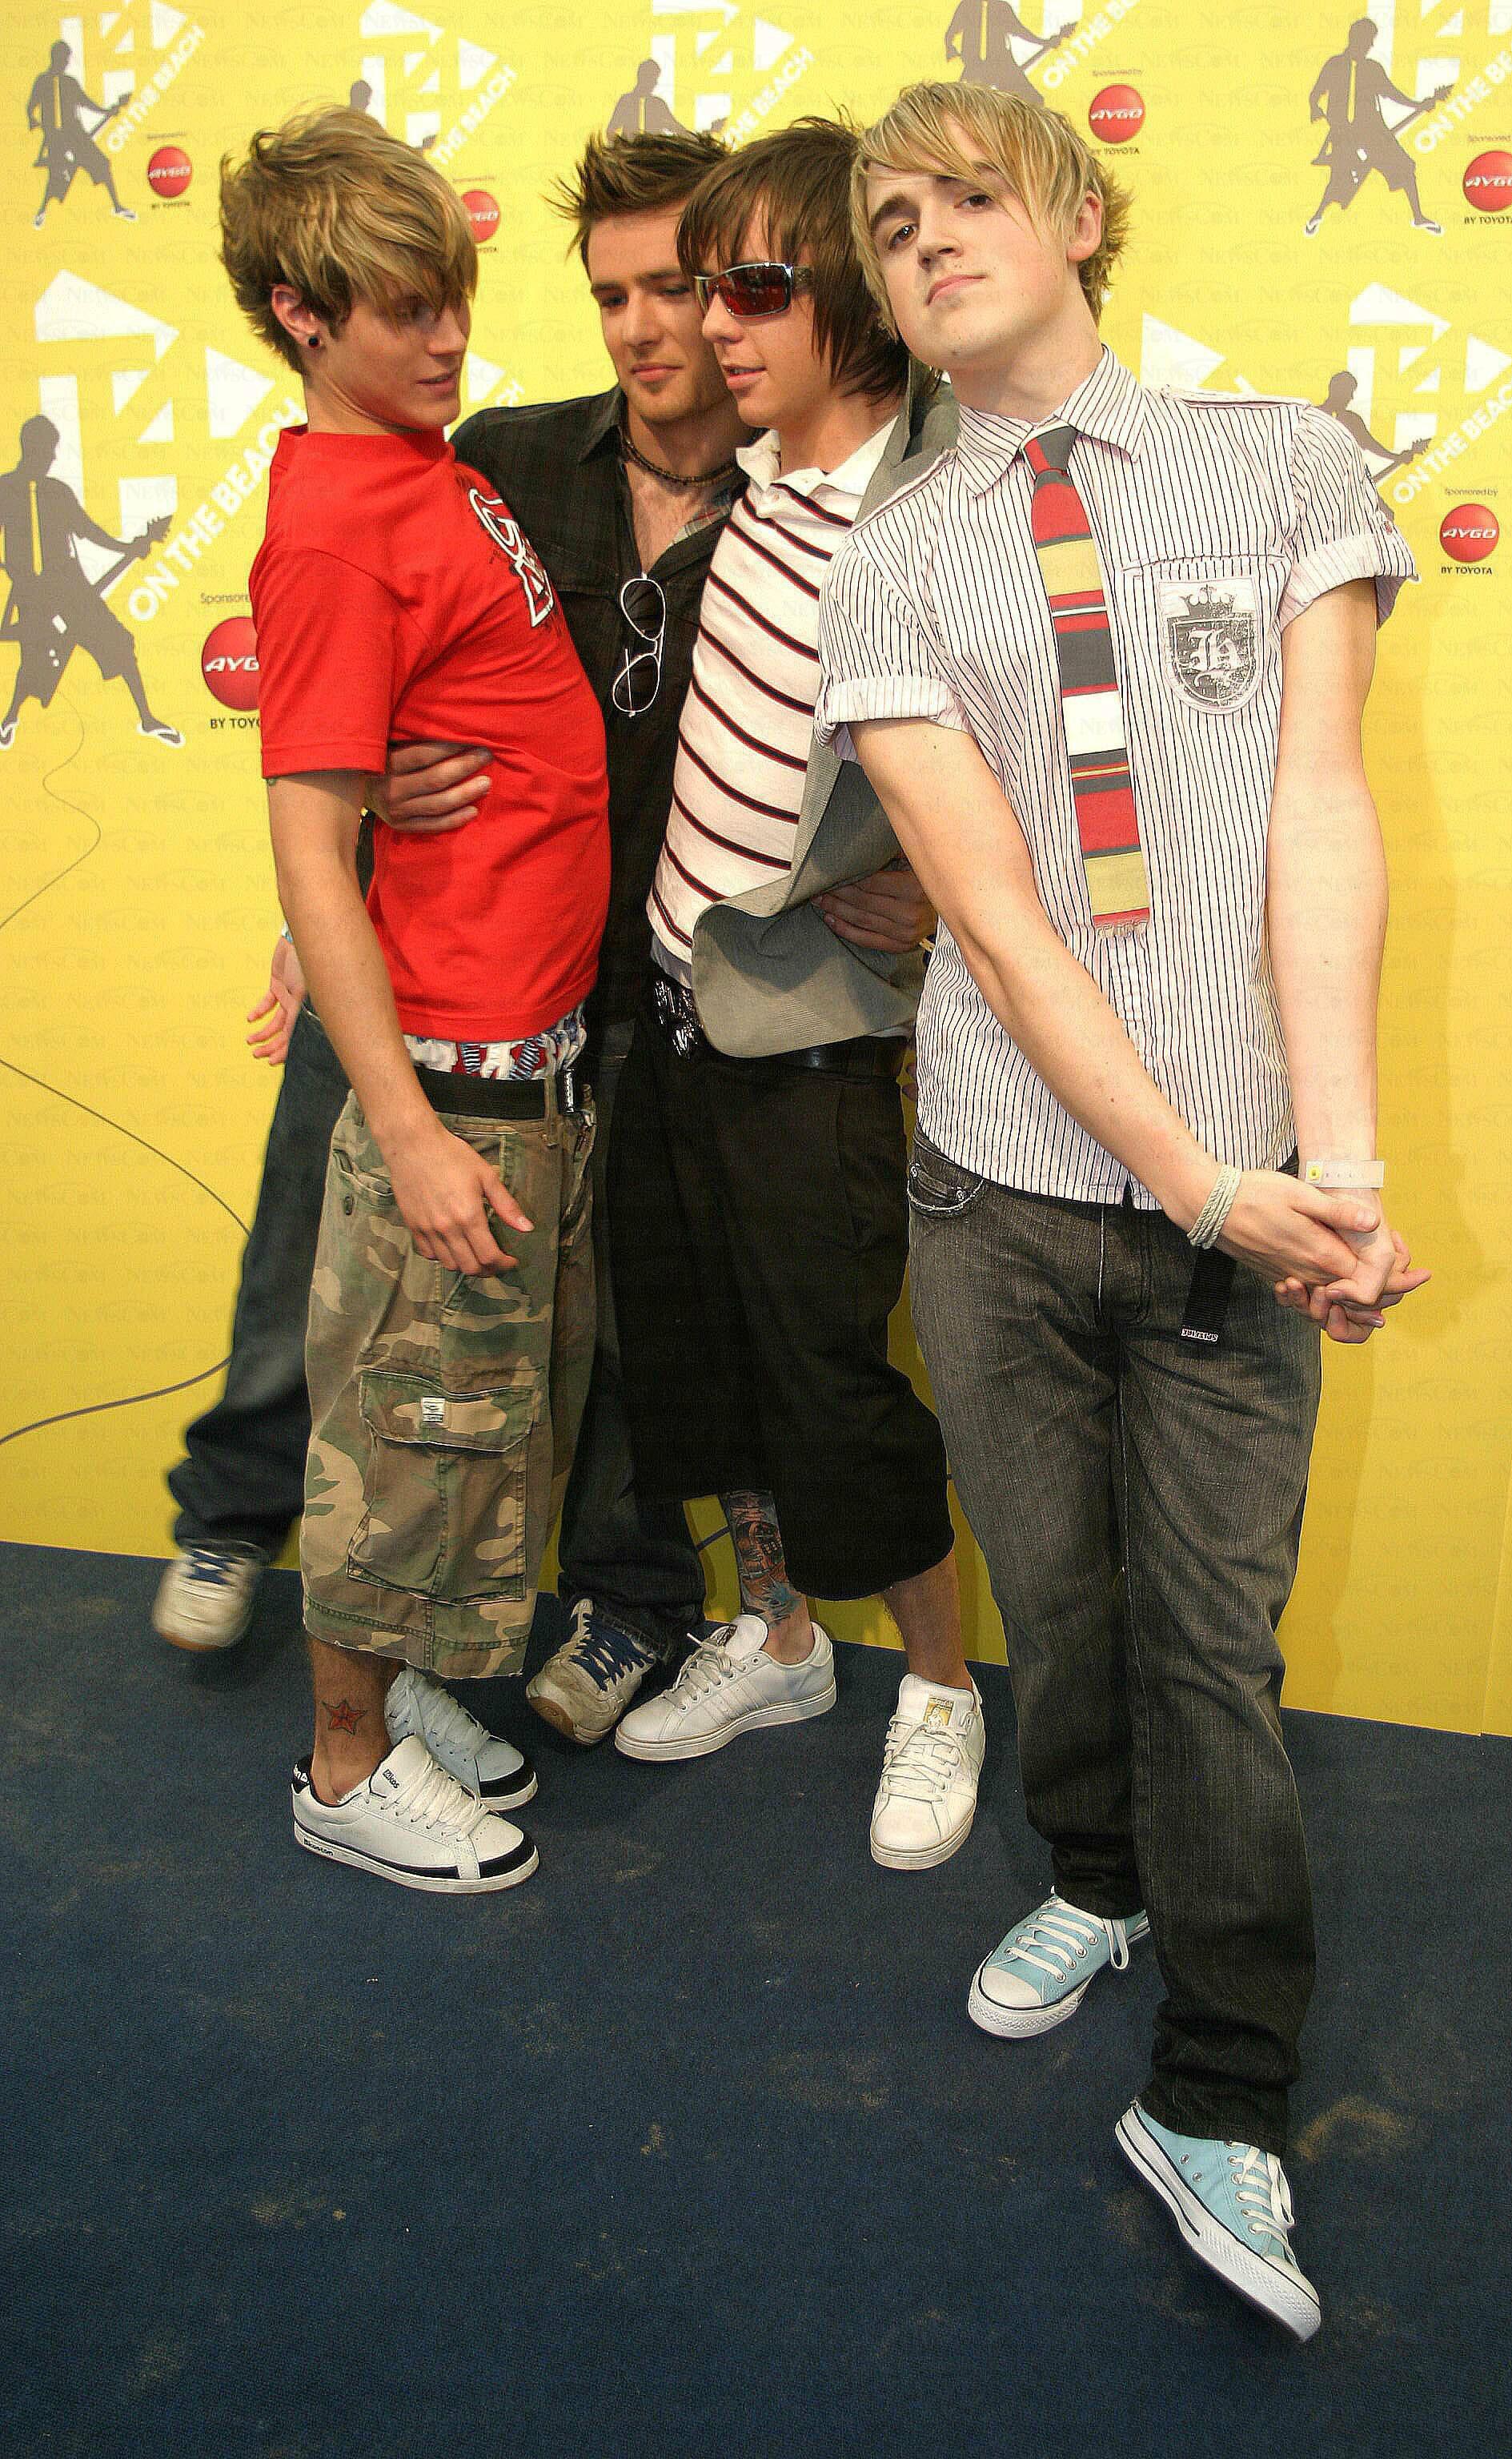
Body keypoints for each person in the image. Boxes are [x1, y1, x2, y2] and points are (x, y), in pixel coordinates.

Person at [819, 80, 1428, 2330]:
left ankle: (1223, 2091)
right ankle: (1093, 1874)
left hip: (1246, 1201)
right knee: (1064, 1620)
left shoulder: (1281, 465)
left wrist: (1332, 1179)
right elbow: (991, 920)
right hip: (999, 1194)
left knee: (1209, 1656)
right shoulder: (890, 558)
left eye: (967, 196)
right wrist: (1203, 1187)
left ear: (1078, 212)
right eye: (890, 222)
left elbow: (1317, 812)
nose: (925, 239)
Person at [154, 130, 934, 1753]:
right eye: (611, 296)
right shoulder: (501, 456)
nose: (650, 327)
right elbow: (365, 683)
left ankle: (617, 1604)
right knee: (343, 1258)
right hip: (443, 971)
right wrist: (347, 840)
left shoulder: (814, 488)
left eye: (684, 289)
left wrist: (916, 890)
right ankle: (244, 1530)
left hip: (661, 988)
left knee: (605, 1333)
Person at [221, 105, 610, 1890]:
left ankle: (405, 1689)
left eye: (454, 297)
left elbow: (378, 780)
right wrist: (406, 1129)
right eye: (403, 311)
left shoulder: (426, 469)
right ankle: (341, 1761)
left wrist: (387, 785)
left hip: (525, 1058)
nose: (450, 337)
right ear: (302, 315)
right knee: (401, 1435)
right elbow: (305, 848)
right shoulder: (327, 526)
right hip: (446, 1080)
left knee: (472, 1431)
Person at [600, 118, 982, 1877]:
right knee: (709, 1359)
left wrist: (940, 895)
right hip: (676, 1010)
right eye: (703, 286)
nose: (710, 325)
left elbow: (1049, 753)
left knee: (834, 1382)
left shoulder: (934, 512)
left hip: (813, 1033)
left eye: (752, 286)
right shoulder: (754, 482)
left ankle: (940, 1684)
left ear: (853, 294)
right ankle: (776, 1635)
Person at [0, 415, 181, 751]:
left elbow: (88, 530)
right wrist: (11, 569)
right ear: (34, 448)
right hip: (31, 592)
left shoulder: (57, 492)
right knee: (37, 662)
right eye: (49, 450)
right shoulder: (4, 490)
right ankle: (10, 718)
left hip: (70, 585)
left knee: (120, 643)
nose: (53, 457)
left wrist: (128, 548)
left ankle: (147, 718)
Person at [1305, 18, 1450, 238]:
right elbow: (1315, 93)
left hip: (1373, 132)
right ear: (1356, 39)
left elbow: (1393, 93)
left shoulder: (1372, 69)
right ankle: (1317, 215)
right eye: (1368, 40)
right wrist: (1315, 108)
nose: (1371, 45)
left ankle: (1419, 217)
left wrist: (1418, 105)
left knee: (1405, 167)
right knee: (1341, 180)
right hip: (1343, 133)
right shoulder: (1334, 65)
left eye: (1372, 41)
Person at [26, 42, 135, 227]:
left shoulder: (70, 83)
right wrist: (33, 121)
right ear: (56, 58)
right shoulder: (42, 81)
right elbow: (30, 106)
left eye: (67, 59)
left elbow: (86, 102)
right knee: (58, 175)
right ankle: (42, 211)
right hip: (55, 137)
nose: (67, 62)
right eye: (64, 59)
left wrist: (106, 111)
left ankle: (117, 207)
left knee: (102, 164)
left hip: (76, 134)